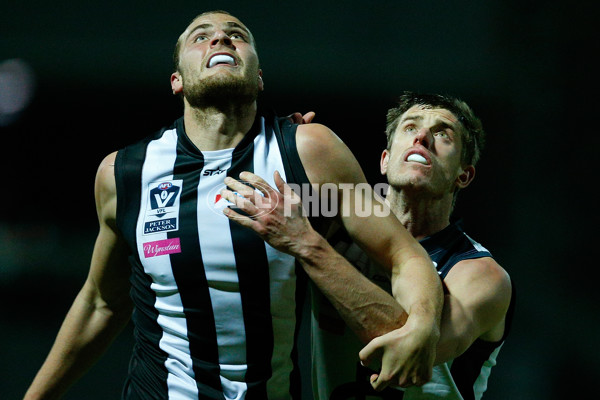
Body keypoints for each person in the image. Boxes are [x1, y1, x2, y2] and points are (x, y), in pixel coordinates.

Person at [23, 12, 444, 400]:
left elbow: (404, 254)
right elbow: (102, 302)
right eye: (200, 37)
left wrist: (423, 322)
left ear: (258, 77)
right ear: (177, 80)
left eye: (236, 36)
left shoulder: (311, 151)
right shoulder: (124, 174)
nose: (221, 38)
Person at [223, 91, 514, 399]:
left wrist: (308, 245)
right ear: (385, 160)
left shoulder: (481, 275)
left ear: (463, 175)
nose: (423, 137)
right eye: (410, 127)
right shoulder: (333, 228)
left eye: (443, 134)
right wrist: (293, 152)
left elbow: (410, 356)